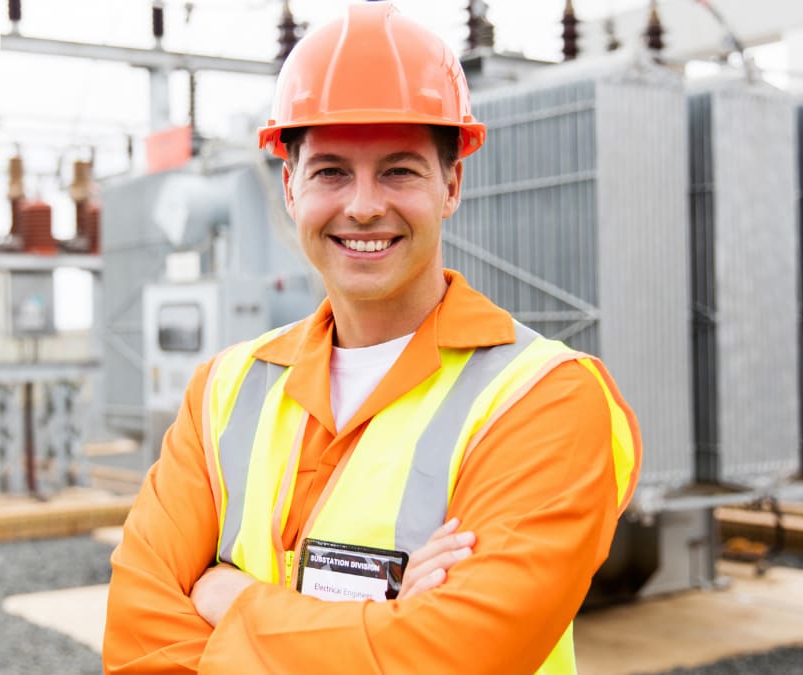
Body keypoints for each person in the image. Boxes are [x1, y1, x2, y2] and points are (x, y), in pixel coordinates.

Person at [103, 3, 641, 674]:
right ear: (291, 187)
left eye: (399, 170)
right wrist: (382, 628)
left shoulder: (545, 400)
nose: (362, 204)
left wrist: (233, 597)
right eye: (330, 170)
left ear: (451, 183)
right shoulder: (222, 391)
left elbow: (454, 658)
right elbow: (138, 640)